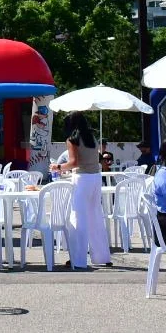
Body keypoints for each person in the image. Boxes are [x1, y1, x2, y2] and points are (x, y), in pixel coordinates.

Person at [53, 111, 112, 268]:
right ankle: (102, 256)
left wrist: (57, 167)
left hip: (82, 178)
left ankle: (78, 259)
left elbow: (73, 163)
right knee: (95, 217)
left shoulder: (72, 139)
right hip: (95, 177)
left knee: (78, 218)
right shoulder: (92, 138)